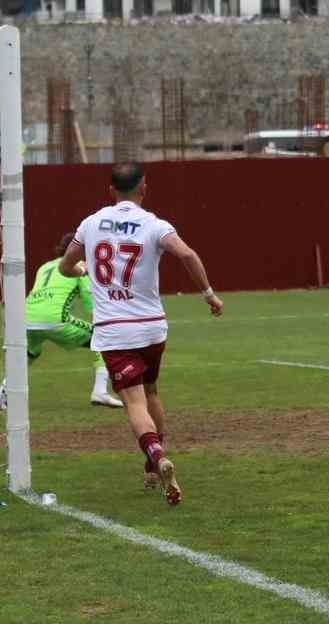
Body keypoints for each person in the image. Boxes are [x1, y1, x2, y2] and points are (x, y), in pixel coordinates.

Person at [58, 162, 224, 504]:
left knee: (133, 402)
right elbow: (187, 254)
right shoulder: (154, 224)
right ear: (144, 188)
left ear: (110, 190)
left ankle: (157, 457)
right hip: (151, 327)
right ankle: (152, 466)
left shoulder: (90, 223)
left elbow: (65, 265)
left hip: (114, 330)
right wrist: (209, 294)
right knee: (152, 391)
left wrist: (81, 269)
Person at [0, 233, 125, 413]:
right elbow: (90, 303)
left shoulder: (45, 267)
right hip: (54, 319)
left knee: (28, 355)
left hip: (25, 318)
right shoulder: (80, 267)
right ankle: (100, 391)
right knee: (104, 339)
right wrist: (106, 325)